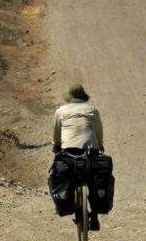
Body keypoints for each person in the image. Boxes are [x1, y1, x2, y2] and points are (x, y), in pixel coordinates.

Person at [52, 84, 104, 231]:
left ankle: (68, 204)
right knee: (94, 179)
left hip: (68, 151)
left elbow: (56, 133)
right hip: (90, 151)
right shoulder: (93, 110)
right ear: (83, 97)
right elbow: (99, 131)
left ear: (69, 98)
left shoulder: (60, 111)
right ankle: (94, 216)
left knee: (65, 176)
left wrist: (56, 145)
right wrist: (99, 144)